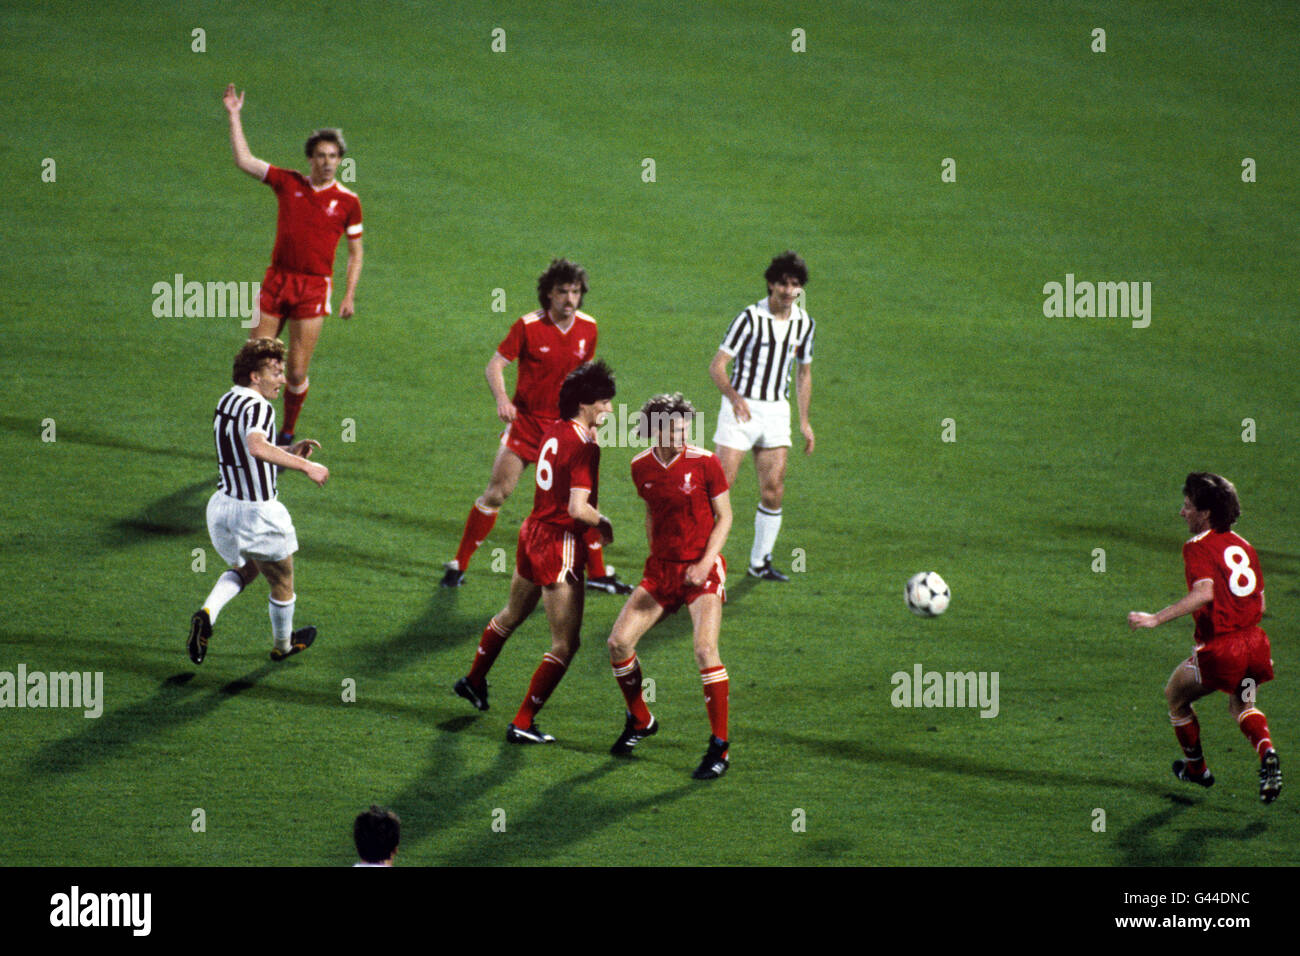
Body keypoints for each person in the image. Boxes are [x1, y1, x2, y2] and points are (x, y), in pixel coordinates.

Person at [441, 259, 630, 596]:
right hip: (526, 424)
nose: (570, 298)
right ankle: (459, 564)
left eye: (575, 291)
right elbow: (494, 366)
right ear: (548, 294)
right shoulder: (528, 326)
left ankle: (598, 573)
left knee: (580, 501)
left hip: (566, 428)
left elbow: (587, 380)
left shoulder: (588, 327)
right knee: (498, 492)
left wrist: (593, 424)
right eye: (562, 292)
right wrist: (503, 399)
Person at [452, 361, 618, 744]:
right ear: (586, 404)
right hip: (559, 542)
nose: (609, 410)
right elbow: (578, 509)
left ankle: (474, 680)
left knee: (512, 614)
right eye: (605, 403)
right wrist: (603, 523)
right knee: (566, 643)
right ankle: (523, 722)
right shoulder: (585, 445)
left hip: (532, 532)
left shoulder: (554, 430)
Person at [223, 83, 363, 447]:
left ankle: (287, 430)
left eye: (334, 155)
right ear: (310, 158)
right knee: (256, 363)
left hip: (313, 287)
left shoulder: (348, 201)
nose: (327, 161)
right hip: (277, 281)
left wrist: (348, 295)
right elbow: (244, 160)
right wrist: (234, 115)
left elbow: (355, 252)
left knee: (297, 369)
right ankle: (249, 431)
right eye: (321, 155)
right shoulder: (287, 183)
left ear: (340, 160)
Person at [1128, 472, 1281, 803]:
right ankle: (1266, 751)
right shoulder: (1244, 545)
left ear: (1205, 512)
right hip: (1255, 645)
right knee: (1243, 704)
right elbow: (1261, 601)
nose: (1182, 512)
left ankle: (1197, 769)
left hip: (1223, 650)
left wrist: (1156, 618)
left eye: (1187, 506)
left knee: (1175, 695)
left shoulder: (1197, 547)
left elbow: (1204, 592)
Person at [606, 394, 734, 779]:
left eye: (684, 428)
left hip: (702, 571)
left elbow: (725, 517)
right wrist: (656, 556)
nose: (681, 435)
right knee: (618, 643)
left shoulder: (705, 462)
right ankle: (641, 719)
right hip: (662, 571)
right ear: (654, 429)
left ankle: (720, 748)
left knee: (704, 649)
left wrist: (706, 563)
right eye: (673, 428)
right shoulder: (640, 466)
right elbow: (651, 510)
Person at [188, 338, 329, 664]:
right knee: (282, 581)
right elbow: (255, 446)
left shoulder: (227, 400)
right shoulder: (259, 406)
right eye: (275, 372)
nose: (282, 379)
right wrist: (307, 466)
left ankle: (207, 613)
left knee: (247, 569)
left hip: (222, 508)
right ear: (254, 376)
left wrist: (290, 452)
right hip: (257, 514)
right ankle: (283, 645)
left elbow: (250, 450)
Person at [708, 251, 815, 582]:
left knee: (773, 490)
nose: (788, 290)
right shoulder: (749, 319)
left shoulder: (804, 323)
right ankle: (702, 558)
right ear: (771, 283)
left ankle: (759, 562)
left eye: (795, 285)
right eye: (783, 283)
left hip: (775, 412)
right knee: (719, 488)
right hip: (740, 411)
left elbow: (804, 373)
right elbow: (717, 365)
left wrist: (804, 421)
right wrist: (734, 397)